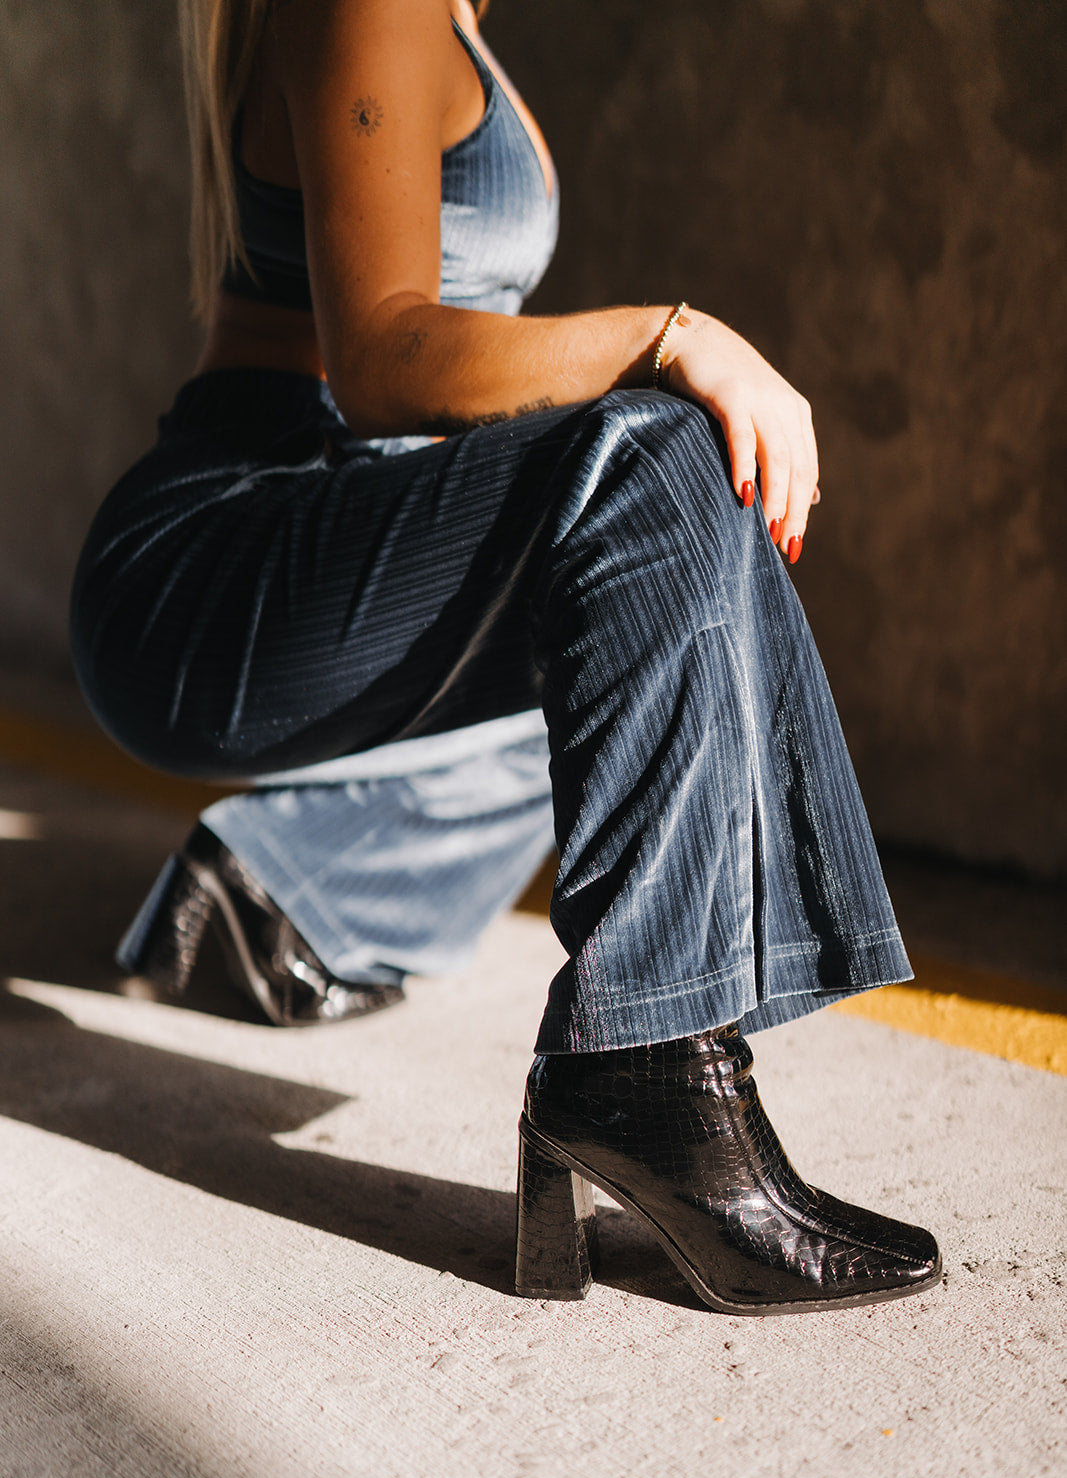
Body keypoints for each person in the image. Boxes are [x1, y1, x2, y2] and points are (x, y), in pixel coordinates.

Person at [69, 0, 941, 1313]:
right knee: (656, 448)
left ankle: (285, 890)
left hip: (324, 534)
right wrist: (677, 333)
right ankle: (646, 1073)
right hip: (228, 544)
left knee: (635, 660)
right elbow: (384, 358)